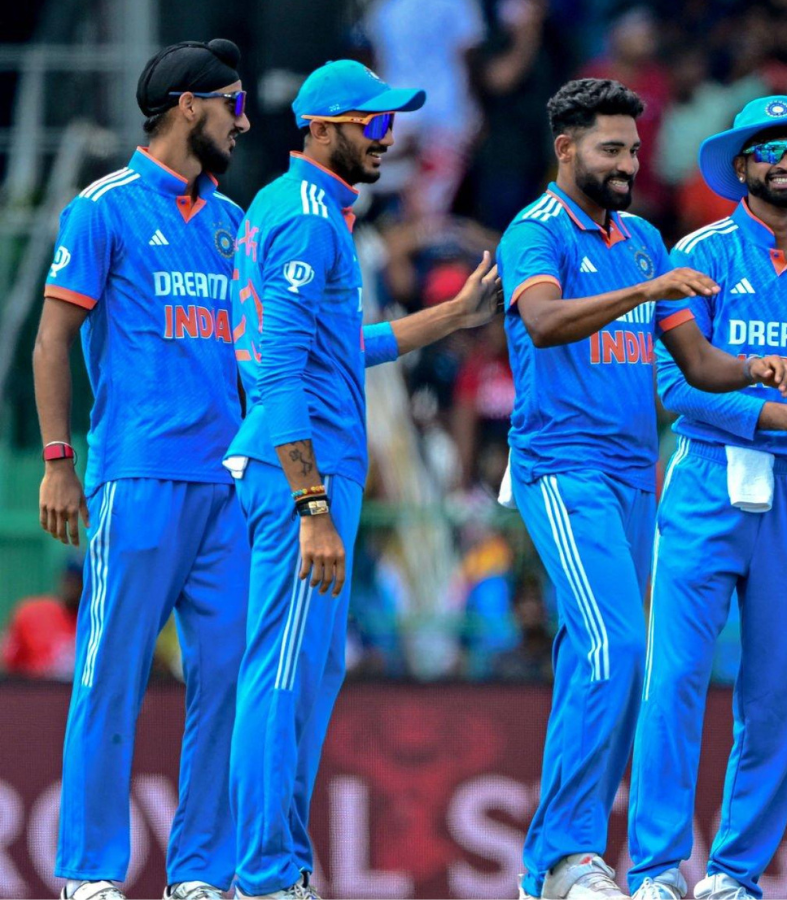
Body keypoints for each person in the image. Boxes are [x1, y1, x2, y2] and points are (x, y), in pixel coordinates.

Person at [495, 79, 787, 900]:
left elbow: (695, 366)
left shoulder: (643, 238)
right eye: (612, 149)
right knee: (617, 646)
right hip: (562, 468)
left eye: (633, 148)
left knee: (597, 660)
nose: (629, 163)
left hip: (634, 475)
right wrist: (647, 290)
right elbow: (546, 322)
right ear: (568, 150)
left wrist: (754, 375)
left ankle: (553, 865)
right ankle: (569, 854)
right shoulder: (537, 232)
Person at [226, 60, 503, 899]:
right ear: (322, 127)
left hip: (307, 465)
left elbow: (348, 345)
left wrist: (452, 317)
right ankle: (267, 875)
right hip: (301, 472)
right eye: (372, 124)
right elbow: (279, 373)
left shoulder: (301, 213)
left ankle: (280, 867)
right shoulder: (311, 221)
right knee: (283, 668)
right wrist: (311, 502)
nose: (387, 138)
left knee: (308, 668)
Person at [627, 94, 787, 900]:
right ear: (741, 167)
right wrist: (779, 415)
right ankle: (657, 868)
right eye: (769, 149)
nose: (786, 161)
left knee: (778, 694)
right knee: (672, 677)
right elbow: (678, 386)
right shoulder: (697, 255)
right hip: (707, 478)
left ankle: (734, 873)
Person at [34, 39, 251, 900]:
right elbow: (51, 338)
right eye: (231, 103)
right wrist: (59, 461)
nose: (242, 121)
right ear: (187, 105)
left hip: (226, 488)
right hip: (138, 475)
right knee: (110, 672)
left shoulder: (234, 224)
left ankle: (198, 874)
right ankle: (89, 874)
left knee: (227, 679)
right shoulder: (104, 208)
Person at [3, 560, 81, 679]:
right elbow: (8, 666)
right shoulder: (31, 614)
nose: (74, 587)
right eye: (70, 580)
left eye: (79, 581)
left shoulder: (103, 621)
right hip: (39, 693)